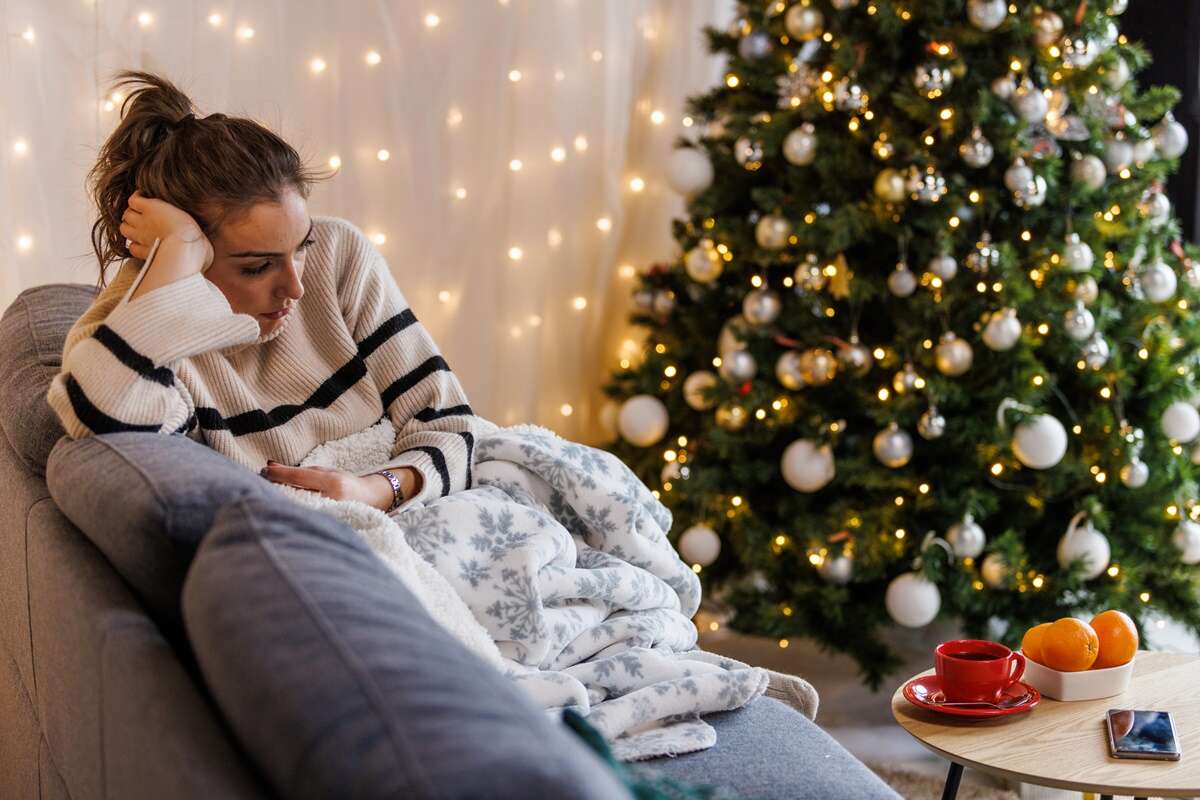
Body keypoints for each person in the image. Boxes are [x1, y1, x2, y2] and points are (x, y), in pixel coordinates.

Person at [47, 70, 492, 515]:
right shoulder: (146, 332)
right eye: (257, 266)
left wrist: (375, 490)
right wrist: (174, 257)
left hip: (406, 504)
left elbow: (450, 425)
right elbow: (100, 421)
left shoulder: (338, 258)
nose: (296, 287)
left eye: (301, 248)